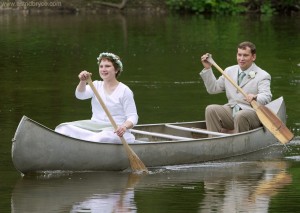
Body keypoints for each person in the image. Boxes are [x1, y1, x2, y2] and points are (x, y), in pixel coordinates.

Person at [55, 52, 138, 143]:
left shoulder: (125, 90)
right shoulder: (95, 85)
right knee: (63, 128)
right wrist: (82, 81)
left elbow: (133, 117)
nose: (103, 69)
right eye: (101, 66)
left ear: (116, 69)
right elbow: (80, 95)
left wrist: (124, 127)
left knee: (100, 138)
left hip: (116, 130)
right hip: (95, 126)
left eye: (107, 66)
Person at [199, 41, 272, 134]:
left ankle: (239, 142)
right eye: (239, 55)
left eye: (245, 55)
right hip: (232, 110)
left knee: (241, 115)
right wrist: (208, 69)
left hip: (252, 113)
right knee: (210, 109)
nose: (241, 58)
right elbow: (213, 89)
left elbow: (267, 97)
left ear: (253, 57)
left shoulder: (263, 75)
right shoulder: (229, 70)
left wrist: (255, 97)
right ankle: (213, 141)